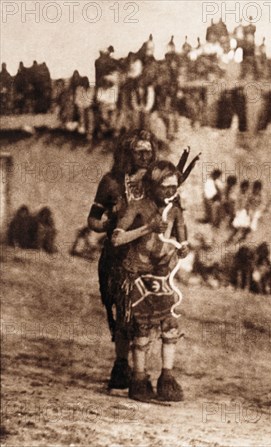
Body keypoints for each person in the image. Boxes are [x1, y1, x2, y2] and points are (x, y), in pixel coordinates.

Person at [112, 160, 189, 402]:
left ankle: (166, 378)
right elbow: (116, 239)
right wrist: (148, 228)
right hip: (135, 275)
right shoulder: (136, 207)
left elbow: (181, 239)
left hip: (160, 276)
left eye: (174, 187)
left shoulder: (175, 211)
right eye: (165, 187)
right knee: (141, 329)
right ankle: (138, 379)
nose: (170, 191)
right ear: (151, 186)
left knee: (170, 325)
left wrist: (183, 249)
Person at [87, 130, 158, 390]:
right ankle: (121, 364)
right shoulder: (111, 182)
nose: (144, 155)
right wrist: (106, 224)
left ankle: (143, 371)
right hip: (118, 258)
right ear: (128, 152)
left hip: (150, 257)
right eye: (139, 150)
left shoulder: (156, 182)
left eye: (148, 150)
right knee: (124, 312)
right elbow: (93, 218)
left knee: (147, 315)